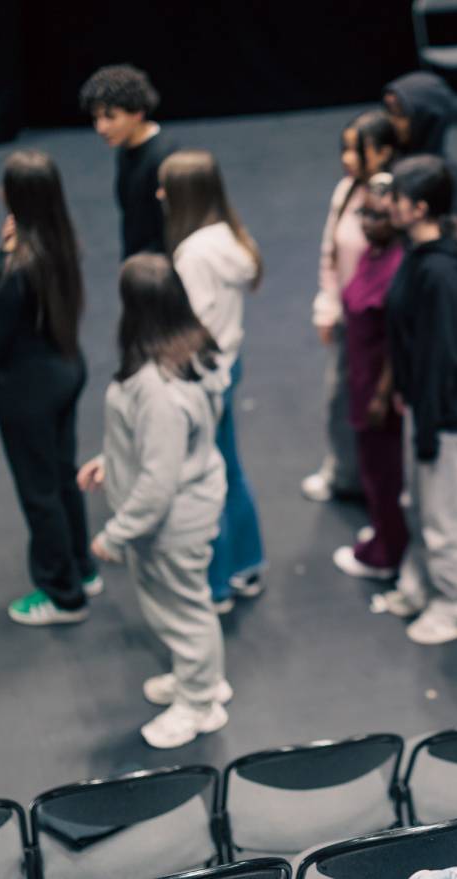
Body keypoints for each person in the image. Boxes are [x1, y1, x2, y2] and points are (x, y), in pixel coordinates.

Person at [78, 254, 233, 749]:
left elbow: (159, 481)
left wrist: (114, 534)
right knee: (188, 608)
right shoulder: (194, 348)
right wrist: (113, 460)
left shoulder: (155, 387)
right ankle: (201, 679)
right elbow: (164, 446)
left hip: (171, 522)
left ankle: (198, 702)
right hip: (191, 503)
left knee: (182, 613)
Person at [0, 150, 100, 625]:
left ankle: (63, 595)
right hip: (66, 371)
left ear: (14, 197)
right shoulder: (60, 240)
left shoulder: (15, 269)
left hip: (27, 392)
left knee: (38, 492)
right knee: (61, 476)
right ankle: (82, 567)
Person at [376, 156, 457, 645]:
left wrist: (426, 422)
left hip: (447, 415)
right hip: (427, 408)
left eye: (397, 199)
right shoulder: (422, 254)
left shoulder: (442, 273)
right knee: (420, 505)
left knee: (449, 518)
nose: (387, 206)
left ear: (420, 208)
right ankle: (421, 584)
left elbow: (441, 357)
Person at [159, 150, 265, 614]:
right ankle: (246, 562)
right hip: (228, 365)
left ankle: (217, 584)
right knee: (230, 467)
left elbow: (191, 325)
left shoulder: (192, 255)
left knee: (207, 478)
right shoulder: (228, 238)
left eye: (165, 188)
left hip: (204, 378)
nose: (158, 194)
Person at [302, 110, 399, 504]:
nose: (348, 158)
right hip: (349, 321)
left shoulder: (391, 198)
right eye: (344, 149)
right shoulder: (344, 191)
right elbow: (330, 251)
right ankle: (344, 473)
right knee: (341, 398)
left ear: (384, 152)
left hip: (381, 326)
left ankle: (385, 486)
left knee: (382, 405)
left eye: (357, 150)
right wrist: (327, 305)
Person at [332, 173, 409, 581]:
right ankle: (384, 530)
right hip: (361, 375)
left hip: (380, 387)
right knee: (372, 466)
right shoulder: (372, 253)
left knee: (384, 471)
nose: (367, 222)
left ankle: (388, 551)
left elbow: (400, 341)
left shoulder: (396, 267)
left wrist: (383, 394)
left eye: (378, 216)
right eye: (364, 213)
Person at [79, 64, 178, 258]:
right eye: (96, 118)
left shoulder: (164, 159)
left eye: (110, 117)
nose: (101, 128)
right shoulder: (125, 148)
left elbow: (171, 227)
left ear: (137, 113)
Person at [382, 71, 457, 219]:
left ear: (426, 119)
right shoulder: (387, 156)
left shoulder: (446, 175)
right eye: (388, 112)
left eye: (399, 114)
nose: (390, 122)